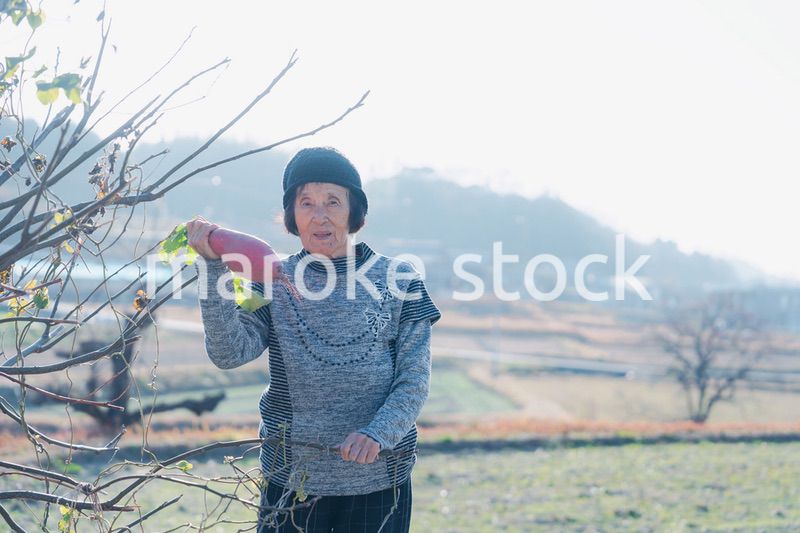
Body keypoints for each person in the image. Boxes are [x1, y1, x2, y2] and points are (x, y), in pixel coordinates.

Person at [186, 146, 441, 532]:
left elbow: (414, 380)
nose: (319, 216)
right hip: (292, 479)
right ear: (292, 215)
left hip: (378, 481)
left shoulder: (399, 280)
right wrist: (212, 269)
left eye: (333, 202)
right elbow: (229, 353)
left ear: (354, 211)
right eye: (306, 203)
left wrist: (378, 433)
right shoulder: (272, 279)